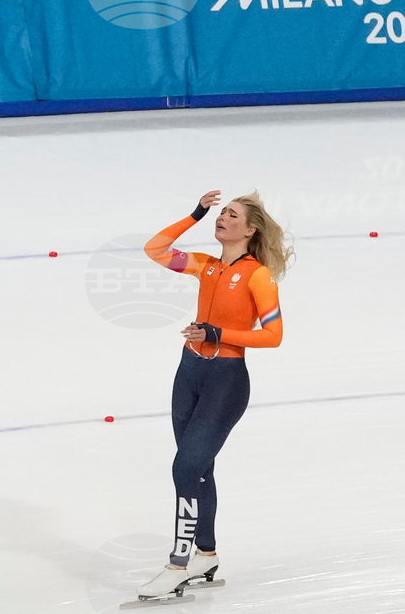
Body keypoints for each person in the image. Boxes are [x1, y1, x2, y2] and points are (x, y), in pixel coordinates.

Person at [135, 189, 293, 601]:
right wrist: (195, 214)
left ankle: (177, 565)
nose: (222, 219)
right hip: (188, 373)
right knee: (198, 469)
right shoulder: (205, 266)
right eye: (220, 214)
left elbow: (273, 336)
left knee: (185, 469)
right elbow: (155, 248)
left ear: (250, 229)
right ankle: (206, 552)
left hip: (226, 381)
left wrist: (218, 334)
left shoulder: (258, 275)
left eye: (231, 215)